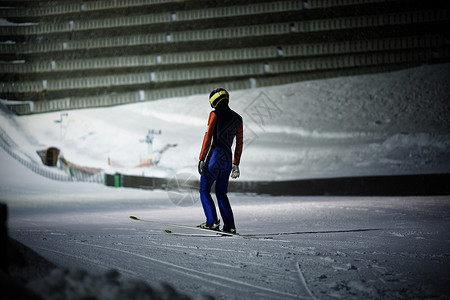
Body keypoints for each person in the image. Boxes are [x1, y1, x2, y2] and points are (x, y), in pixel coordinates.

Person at [197, 88, 243, 234]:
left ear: (213, 101)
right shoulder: (238, 118)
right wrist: (236, 164)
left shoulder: (214, 114)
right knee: (221, 193)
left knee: (204, 189)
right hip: (227, 159)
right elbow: (239, 143)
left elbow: (208, 137)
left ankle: (212, 222)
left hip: (215, 156)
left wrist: (202, 158)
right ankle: (230, 226)